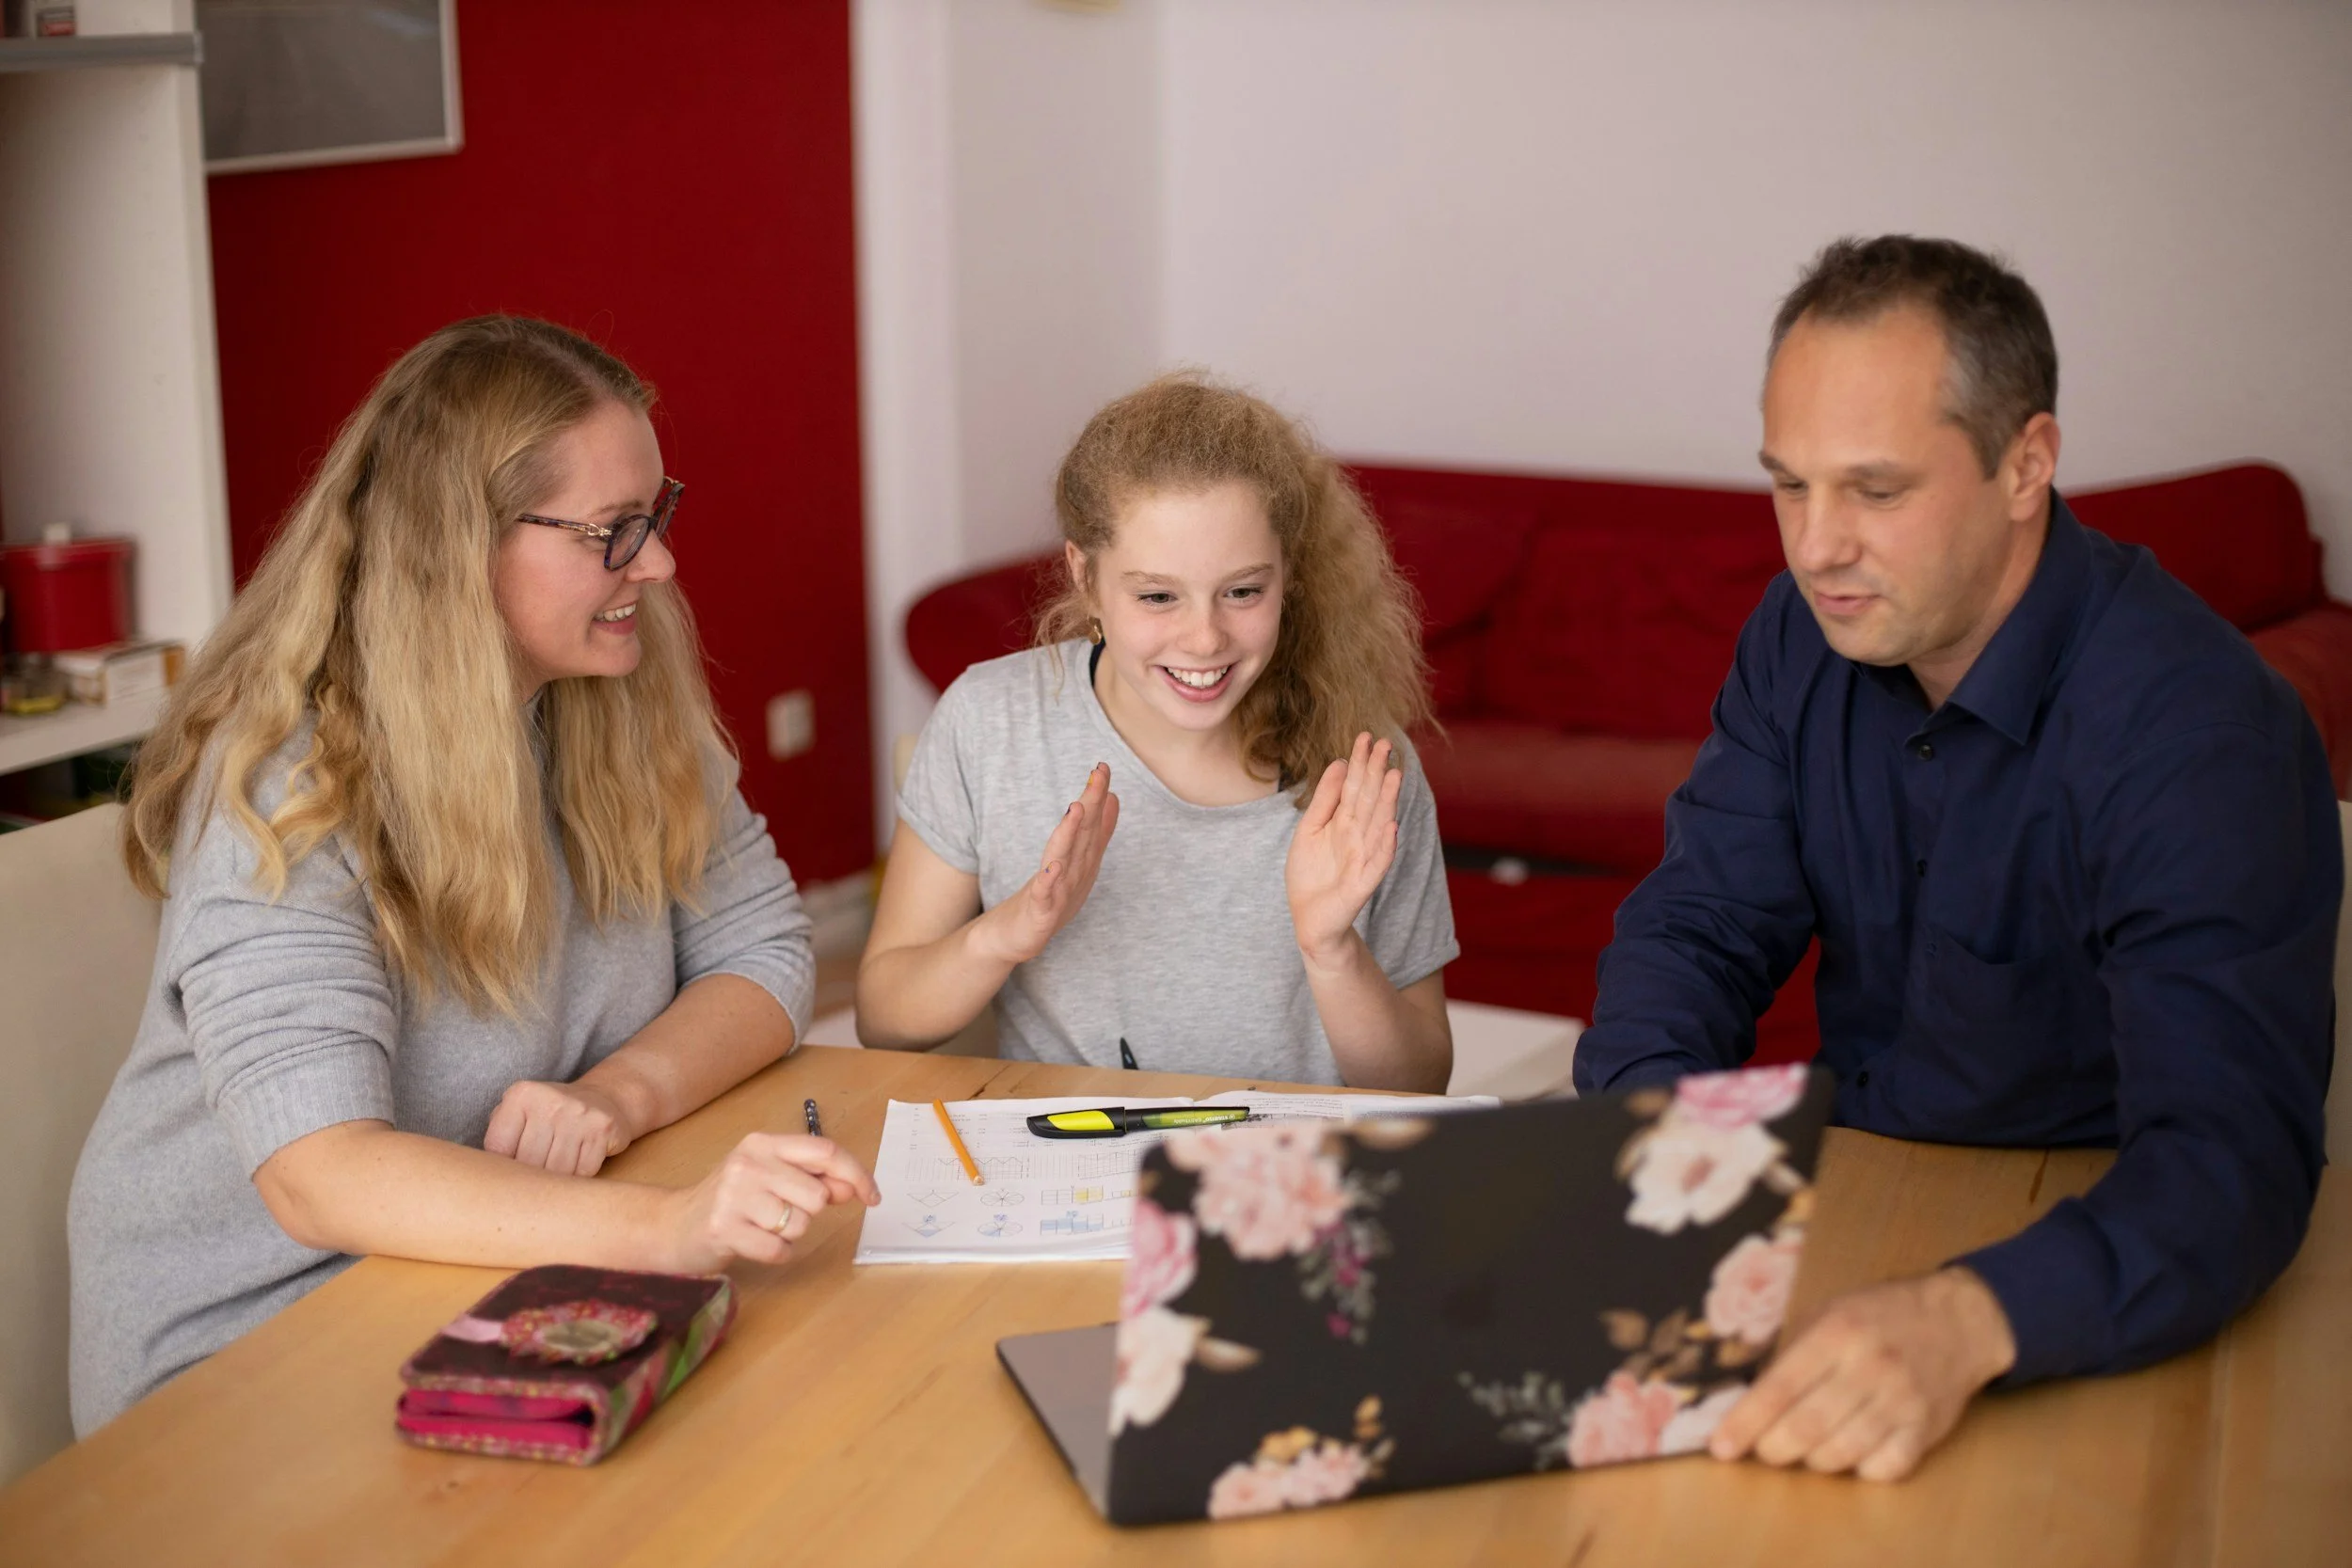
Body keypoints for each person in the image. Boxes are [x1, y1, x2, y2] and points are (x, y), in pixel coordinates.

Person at [1573, 236, 2339, 1481]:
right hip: (1857, 1210)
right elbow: (1699, 926)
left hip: (2089, 1276)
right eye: (1788, 485)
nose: (1815, 548)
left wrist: (1968, 1316)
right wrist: (1646, 1140)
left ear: (2025, 462)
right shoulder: (1799, 635)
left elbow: (2230, 1159)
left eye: (1874, 491)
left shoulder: (2200, 727)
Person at [70, 316, 878, 1434]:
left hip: (495, 1268)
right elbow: (319, 1173)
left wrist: (618, 1095)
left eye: (657, 514)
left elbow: (766, 951)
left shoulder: (616, 686)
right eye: (614, 530)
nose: (658, 561)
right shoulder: (289, 779)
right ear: (459, 544)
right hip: (250, 1344)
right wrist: (668, 1227)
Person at [858, 372, 1457, 1090]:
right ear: (1086, 577)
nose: (1204, 638)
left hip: (1288, 1179)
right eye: (1157, 596)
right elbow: (882, 1014)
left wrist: (1331, 949)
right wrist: (1008, 931)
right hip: (1074, 1171)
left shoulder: (1361, 764)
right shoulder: (991, 721)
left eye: (1243, 590)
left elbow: (1420, 1083)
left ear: (1288, 574)